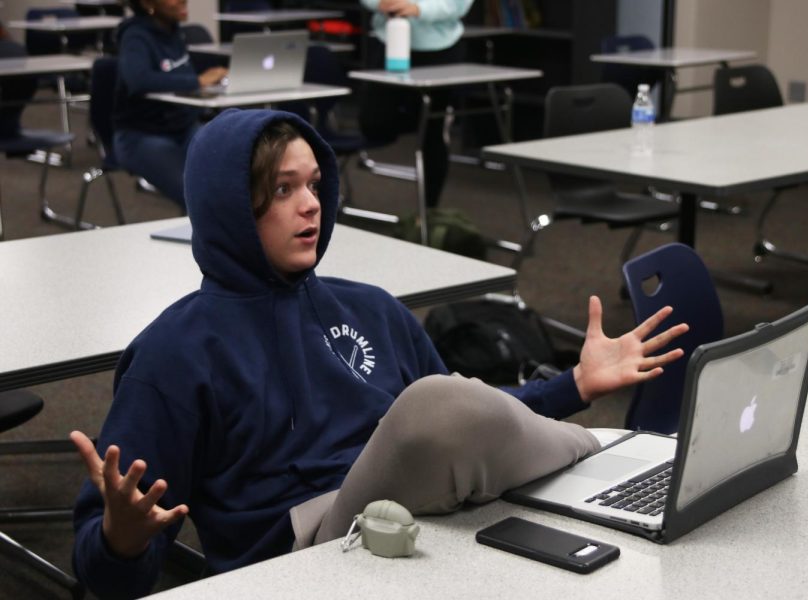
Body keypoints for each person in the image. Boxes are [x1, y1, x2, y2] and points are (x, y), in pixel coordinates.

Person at [70, 108, 688, 598]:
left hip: (427, 520)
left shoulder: (367, 308)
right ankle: (599, 451)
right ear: (228, 206)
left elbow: (469, 422)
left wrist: (573, 386)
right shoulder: (174, 354)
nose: (312, 204)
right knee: (436, 408)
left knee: (451, 414)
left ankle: (609, 463)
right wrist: (120, 542)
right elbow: (111, 575)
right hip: (305, 555)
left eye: (314, 184)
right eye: (283, 189)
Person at [358, 0, 473, 208]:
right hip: (389, 38)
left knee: (432, 133)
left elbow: (459, 4)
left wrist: (419, 8)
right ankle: (428, 118)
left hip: (439, 47)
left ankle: (429, 211)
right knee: (373, 122)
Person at [112, 0, 227, 207]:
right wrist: (197, 81)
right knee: (196, 193)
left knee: (229, 172)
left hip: (183, 127)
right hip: (141, 135)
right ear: (148, 4)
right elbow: (139, 80)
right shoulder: (135, 36)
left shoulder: (173, 32)